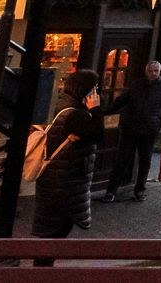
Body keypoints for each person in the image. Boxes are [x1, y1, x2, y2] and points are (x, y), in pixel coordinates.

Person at [32, 69, 105, 259]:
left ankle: (42, 270)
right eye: (94, 88)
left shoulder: (63, 107)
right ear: (85, 90)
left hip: (55, 182)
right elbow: (97, 134)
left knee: (50, 236)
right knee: (54, 237)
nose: (97, 93)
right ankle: (42, 274)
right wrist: (96, 109)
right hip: (65, 184)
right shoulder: (76, 115)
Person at [102, 59, 161, 202]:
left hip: (149, 129)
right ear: (145, 71)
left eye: (156, 71)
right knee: (122, 160)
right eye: (150, 71)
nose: (153, 74)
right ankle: (111, 191)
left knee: (145, 161)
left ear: (159, 72)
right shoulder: (136, 85)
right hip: (131, 128)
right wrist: (104, 111)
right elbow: (122, 100)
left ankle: (139, 190)